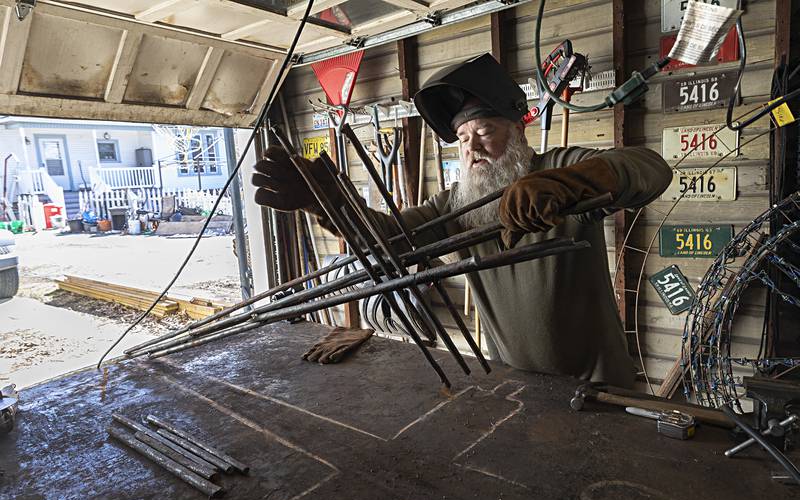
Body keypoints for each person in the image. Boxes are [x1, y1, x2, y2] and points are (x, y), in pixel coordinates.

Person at [252, 53, 671, 388]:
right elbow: (392, 240)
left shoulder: (559, 166)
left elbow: (649, 169)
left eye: (485, 131)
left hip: (599, 389)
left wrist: (564, 185)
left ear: (517, 130)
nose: (473, 148)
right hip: (516, 387)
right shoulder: (458, 204)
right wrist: (330, 204)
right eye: (464, 139)